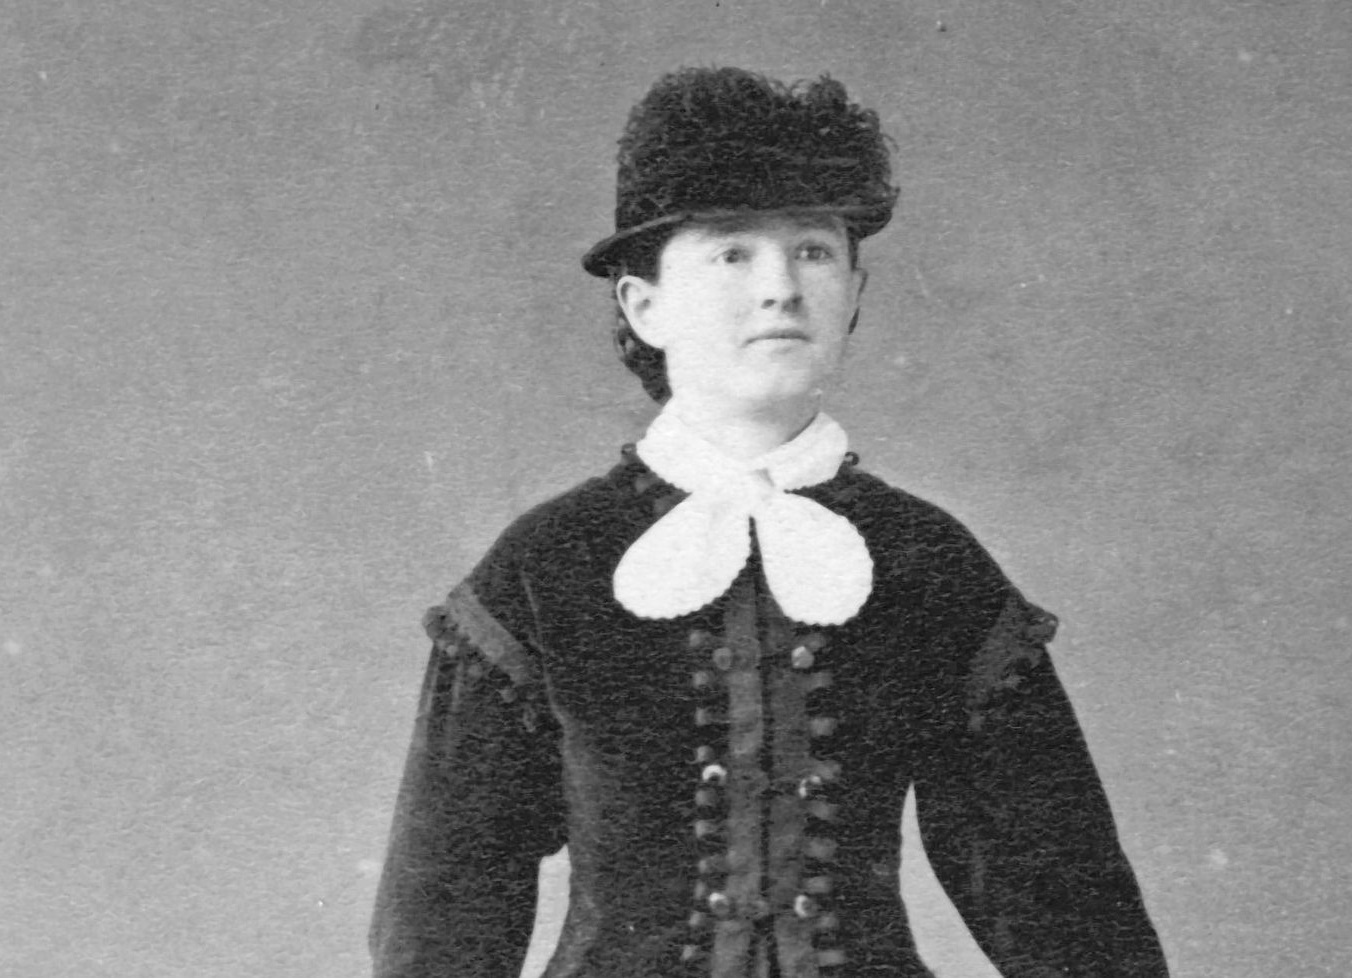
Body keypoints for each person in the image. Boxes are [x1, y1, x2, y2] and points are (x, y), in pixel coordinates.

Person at [369, 66, 1169, 978]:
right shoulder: (548, 565)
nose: (780, 287)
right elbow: (442, 916)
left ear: (855, 292)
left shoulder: (928, 560)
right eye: (732, 254)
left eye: (814, 251)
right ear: (644, 305)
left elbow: (1068, 904)